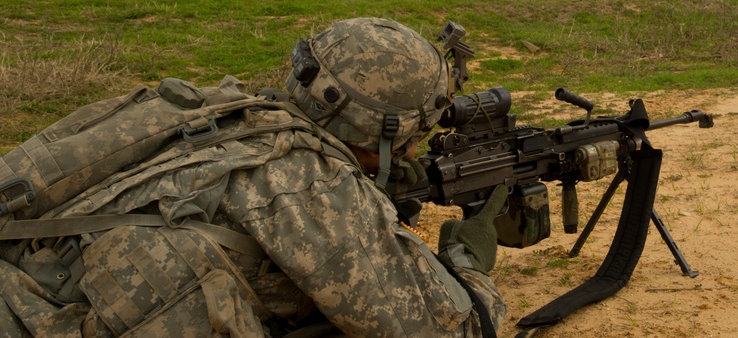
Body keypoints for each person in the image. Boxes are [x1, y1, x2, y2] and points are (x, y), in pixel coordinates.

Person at [0, 18, 507, 337]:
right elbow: (445, 330)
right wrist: (469, 262)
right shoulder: (314, 190)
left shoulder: (212, 108)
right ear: (389, 133)